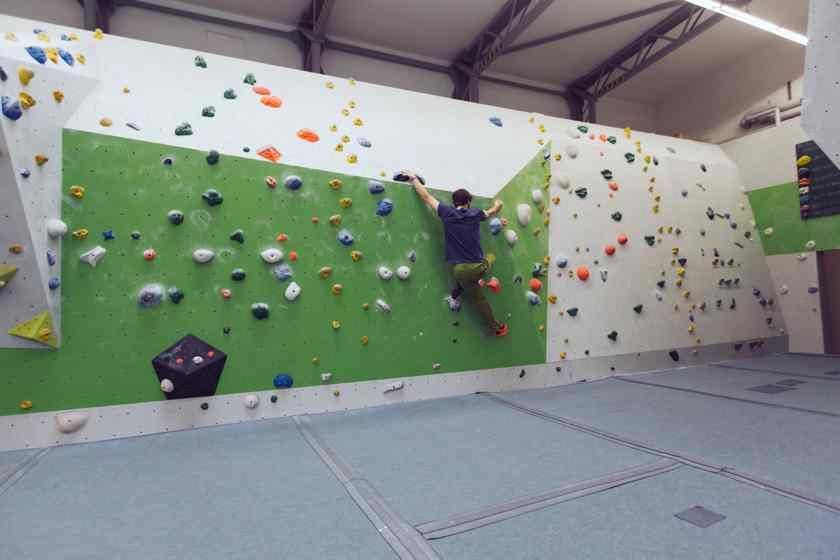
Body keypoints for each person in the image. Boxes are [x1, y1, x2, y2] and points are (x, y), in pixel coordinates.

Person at [406, 171, 508, 337]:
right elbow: (492, 211)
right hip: (478, 266)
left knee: (475, 293)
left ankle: (462, 297)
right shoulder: (475, 213)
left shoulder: (446, 212)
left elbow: (426, 197)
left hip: (459, 270)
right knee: (490, 259)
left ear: (454, 203)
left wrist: (414, 179)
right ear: (468, 202)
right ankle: (494, 319)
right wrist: (499, 204)